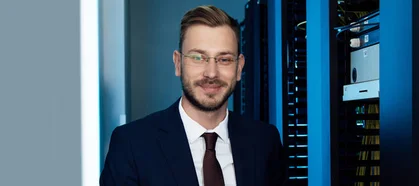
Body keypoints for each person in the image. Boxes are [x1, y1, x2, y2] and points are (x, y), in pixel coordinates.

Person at [100, 5, 286, 186]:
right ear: (178, 63)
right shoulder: (131, 145)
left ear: (239, 67)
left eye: (224, 59)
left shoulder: (264, 142)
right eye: (198, 58)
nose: (211, 73)